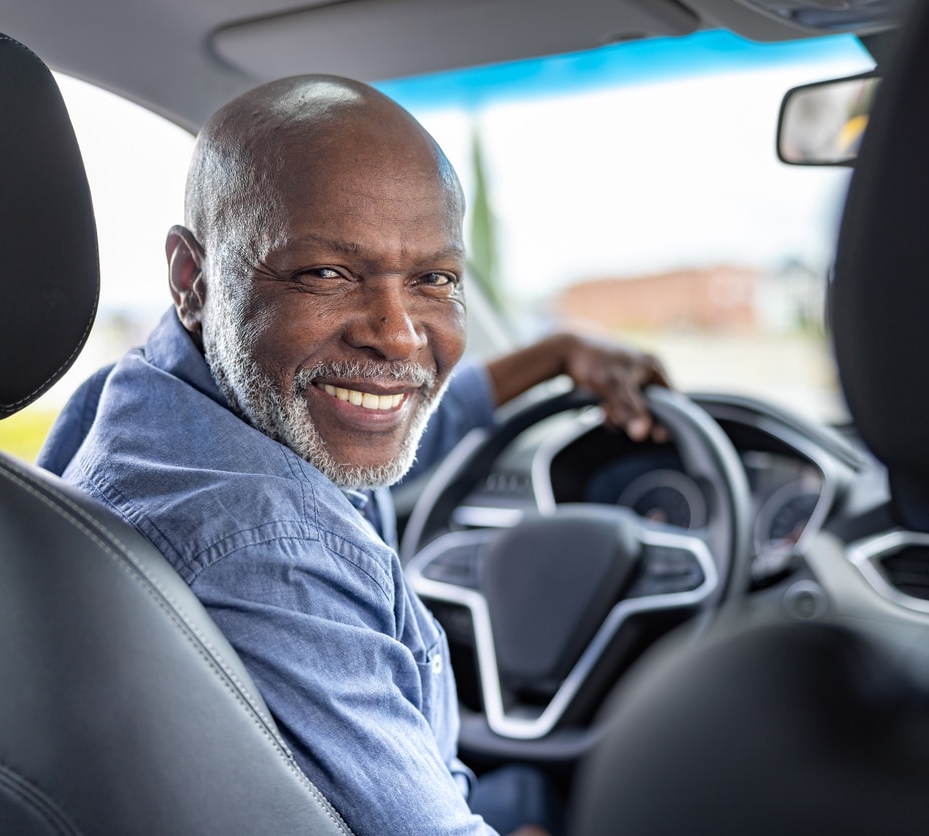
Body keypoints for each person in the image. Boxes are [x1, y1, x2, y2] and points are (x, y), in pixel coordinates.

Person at [39, 74, 669, 836]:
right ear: (192, 278)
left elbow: (379, 431)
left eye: (433, 279)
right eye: (327, 274)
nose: (398, 335)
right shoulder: (271, 550)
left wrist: (554, 354)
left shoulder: (142, 398)